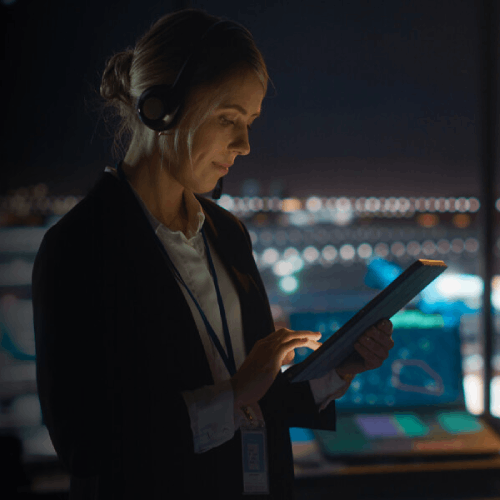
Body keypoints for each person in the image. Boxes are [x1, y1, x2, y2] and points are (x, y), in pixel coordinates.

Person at [31, 8, 394, 500]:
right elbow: (86, 443)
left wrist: (340, 367)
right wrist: (235, 394)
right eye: (227, 118)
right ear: (160, 107)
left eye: (250, 122)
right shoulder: (78, 248)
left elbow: (253, 398)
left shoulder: (228, 233)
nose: (244, 144)